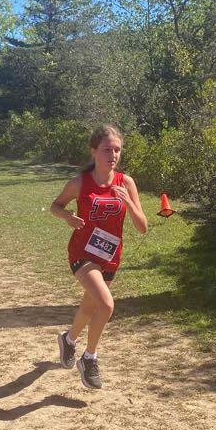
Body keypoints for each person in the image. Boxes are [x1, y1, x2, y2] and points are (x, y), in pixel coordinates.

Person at [50, 125, 148, 390]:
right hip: (82, 253)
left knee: (89, 307)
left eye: (117, 150)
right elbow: (55, 206)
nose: (113, 155)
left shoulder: (126, 182)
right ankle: (89, 358)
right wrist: (67, 216)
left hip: (110, 255)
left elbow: (142, 227)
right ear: (94, 151)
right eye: (107, 149)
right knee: (106, 305)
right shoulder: (80, 183)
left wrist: (128, 202)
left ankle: (68, 340)